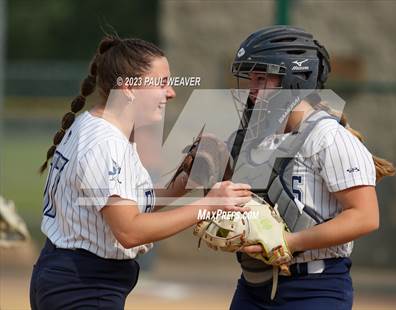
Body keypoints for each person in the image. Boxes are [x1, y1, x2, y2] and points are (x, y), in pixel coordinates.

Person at [29, 35, 252, 310]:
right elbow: (129, 230)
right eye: (161, 83)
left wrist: (185, 182)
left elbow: (132, 204)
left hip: (71, 278)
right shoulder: (106, 142)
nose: (170, 92)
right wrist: (209, 204)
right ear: (128, 89)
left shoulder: (103, 128)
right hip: (83, 286)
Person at [227, 26, 396, 310]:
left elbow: (365, 216)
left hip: (314, 289)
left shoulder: (329, 137)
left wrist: (290, 241)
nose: (252, 90)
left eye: (262, 77)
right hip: (253, 287)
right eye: (250, 78)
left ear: (295, 79)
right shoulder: (260, 137)